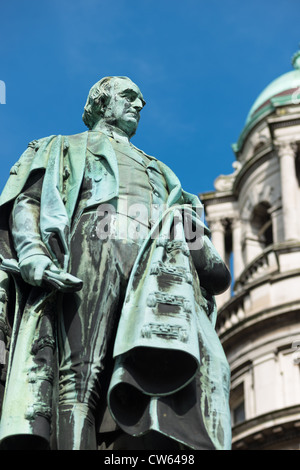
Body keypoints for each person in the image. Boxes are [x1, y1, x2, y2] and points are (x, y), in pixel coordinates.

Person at [0, 76, 231, 450]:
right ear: (100, 103)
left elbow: (214, 269)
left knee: (149, 380)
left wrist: (199, 249)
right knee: (79, 376)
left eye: (141, 101)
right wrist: (33, 253)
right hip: (94, 241)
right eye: (128, 97)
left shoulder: (162, 171)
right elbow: (28, 200)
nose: (138, 105)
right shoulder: (61, 146)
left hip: (154, 265)